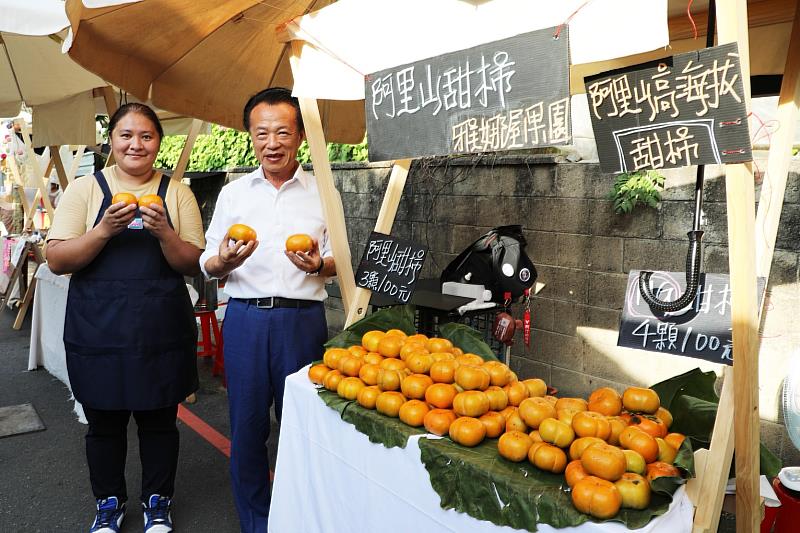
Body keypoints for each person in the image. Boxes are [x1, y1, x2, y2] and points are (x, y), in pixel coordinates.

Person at [46, 103, 205, 533]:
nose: (136, 144)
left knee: (159, 422)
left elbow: (192, 263)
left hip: (160, 332)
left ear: (158, 142)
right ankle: (109, 504)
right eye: (126, 135)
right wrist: (102, 231)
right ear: (110, 141)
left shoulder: (177, 192)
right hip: (98, 332)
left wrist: (164, 233)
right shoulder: (85, 190)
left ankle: (158, 503)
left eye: (147, 136)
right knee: (103, 424)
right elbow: (57, 259)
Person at [199, 87, 335, 533]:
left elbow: (340, 260)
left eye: (282, 132)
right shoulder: (234, 193)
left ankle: (303, 517)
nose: (272, 142)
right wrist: (224, 261)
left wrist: (320, 265)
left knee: (304, 426)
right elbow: (208, 260)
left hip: (302, 321)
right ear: (250, 137)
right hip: (245, 320)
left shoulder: (323, 192)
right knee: (248, 427)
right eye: (262, 133)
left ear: (300, 136)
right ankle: (256, 522)